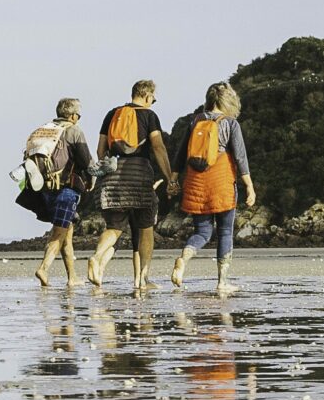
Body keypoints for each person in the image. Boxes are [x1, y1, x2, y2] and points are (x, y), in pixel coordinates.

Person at [88, 80, 180, 292]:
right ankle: (143, 280)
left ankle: (96, 257)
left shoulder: (112, 114)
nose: (153, 102)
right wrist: (170, 178)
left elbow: (101, 150)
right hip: (138, 175)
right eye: (153, 99)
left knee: (114, 227)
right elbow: (158, 147)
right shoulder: (149, 116)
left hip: (112, 177)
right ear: (148, 96)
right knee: (145, 227)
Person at [170, 82, 256, 295]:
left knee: (202, 231)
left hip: (196, 182)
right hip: (221, 182)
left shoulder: (195, 121)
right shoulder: (230, 123)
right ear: (229, 100)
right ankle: (222, 282)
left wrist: (173, 179)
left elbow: (181, 154)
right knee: (225, 231)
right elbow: (240, 157)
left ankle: (183, 259)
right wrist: (249, 187)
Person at [33, 98, 97, 288]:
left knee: (66, 232)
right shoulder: (73, 130)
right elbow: (87, 161)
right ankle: (43, 268)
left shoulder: (46, 130)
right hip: (66, 190)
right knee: (59, 232)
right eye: (78, 114)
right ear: (72, 115)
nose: (78, 118)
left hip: (45, 189)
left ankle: (72, 278)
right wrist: (91, 180)